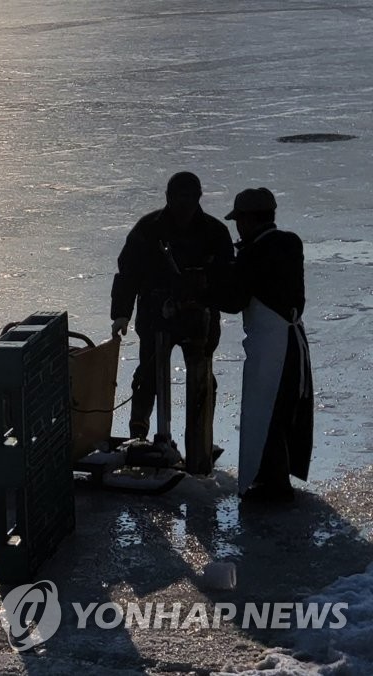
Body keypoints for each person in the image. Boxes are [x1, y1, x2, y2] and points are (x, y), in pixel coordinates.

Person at [110, 171, 234, 457]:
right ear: (168, 197)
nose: (184, 203)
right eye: (178, 196)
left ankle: (201, 441)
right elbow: (127, 273)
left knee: (203, 380)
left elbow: (228, 275)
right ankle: (139, 436)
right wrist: (121, 314)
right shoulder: (148, 229)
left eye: (190, 197)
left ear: (198, 197)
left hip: (199, 320)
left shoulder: (215, 232)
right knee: (148, 377)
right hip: (155, 316)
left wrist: (210, 290)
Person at [213, 188, 312, 502]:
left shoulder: (253, 253)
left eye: (239, 220)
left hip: (271, 347)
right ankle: (276, 479)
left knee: (265, 412)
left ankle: (274, 486)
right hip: (293, 341)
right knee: (281, 411)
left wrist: (205, 289)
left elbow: (234, 300)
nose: (237, 227)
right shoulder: (288, 243)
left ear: (249, 220)